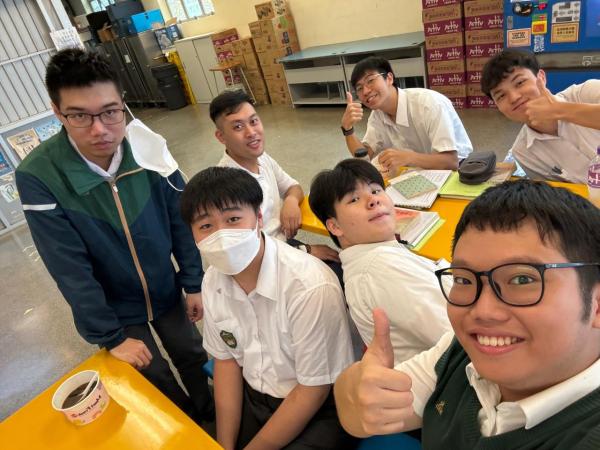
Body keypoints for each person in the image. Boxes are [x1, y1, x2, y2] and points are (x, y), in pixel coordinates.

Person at [15, 48, 213, 422]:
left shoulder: (147, 146)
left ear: (122, 102)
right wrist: (112, 336)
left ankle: (211, 415)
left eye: (110, 111)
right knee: (150, 374)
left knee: (192, 352)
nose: (100, 129)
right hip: (116, 308)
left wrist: (193, 281)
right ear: (57, 112)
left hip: (166, 289)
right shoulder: (38, 175)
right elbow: (68, 268)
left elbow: (181, 219)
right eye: (79, 116)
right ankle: (183, 427)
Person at [334, 179, 600, 449]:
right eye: (463, 279)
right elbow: (362, 412)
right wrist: (352, 389)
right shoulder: (462, 354)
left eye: (522, 279)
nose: (483, 311)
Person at [180, 166, 357, 450]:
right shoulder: (213, 280)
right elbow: (226, 362)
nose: (221, 235)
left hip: (322, 405)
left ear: (259, 218)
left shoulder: (308, 286)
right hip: (256, 395)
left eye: (233, 219)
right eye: (206, 226)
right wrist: (224, 445)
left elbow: (313, 389)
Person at [309, 158, 451, 364]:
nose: (373, 200)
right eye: (354, 199)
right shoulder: (382, 269)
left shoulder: (376, 257)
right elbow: (460, 336)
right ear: (335, 226)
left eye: (376, 190)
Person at [210, 89, 339, 263]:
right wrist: (306, 250)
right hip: (267, 261)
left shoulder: (262, 158)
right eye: (238, 127)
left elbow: (293, 186)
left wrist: (290, 201)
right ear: (221, 137)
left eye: (253, 121)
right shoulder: (227, 187)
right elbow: (250, 254)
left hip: (283, 245)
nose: (251, 132)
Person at [482, 49, 600, 183]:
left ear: (541, 77)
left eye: (519, 83)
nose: (514, 97)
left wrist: (558, 110)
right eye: (501, 95)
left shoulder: (587, 92)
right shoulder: (523, 153)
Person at [340, 56, 472, 177]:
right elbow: (365, 155)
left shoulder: (428, 103)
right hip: (418, 173)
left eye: (370, 80)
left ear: (389, 78)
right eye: (359, 88)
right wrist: (347, 129)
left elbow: (451, 161)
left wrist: (409, 157)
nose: (366, 91)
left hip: (459, 171)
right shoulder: (377, 115)